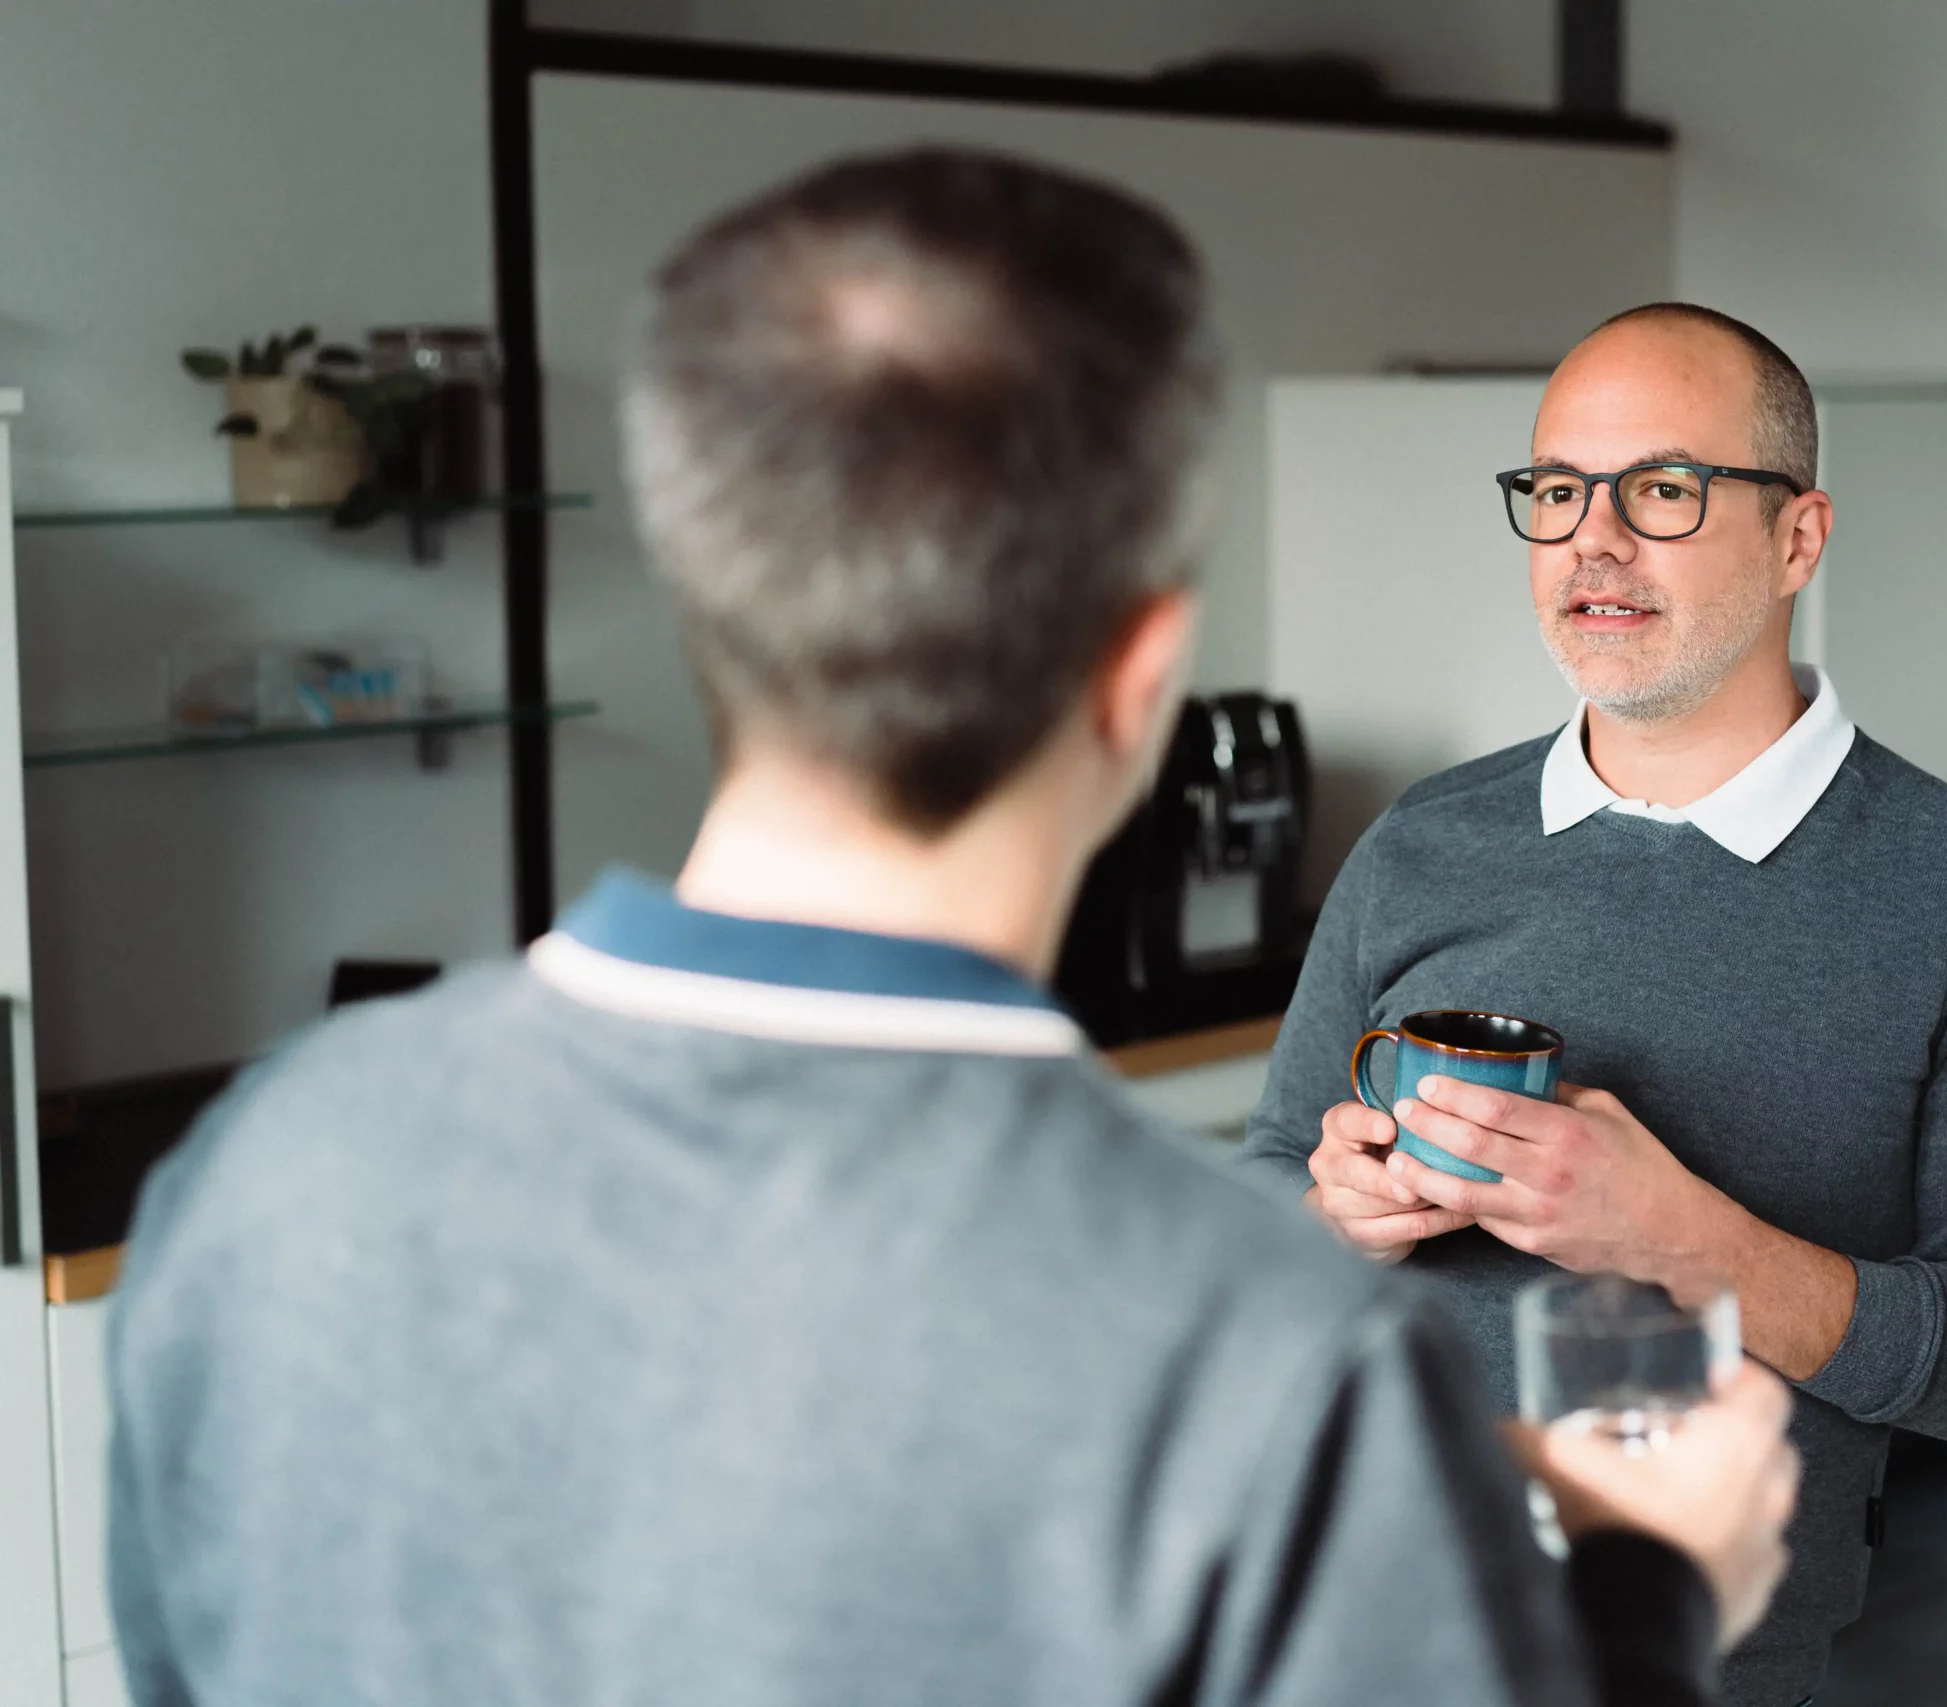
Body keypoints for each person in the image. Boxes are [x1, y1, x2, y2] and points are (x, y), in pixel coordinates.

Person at [104, 153, 1799, 1707]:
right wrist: (1658, 1583)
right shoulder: (1263, 1353)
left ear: (715, 587)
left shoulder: (262, 1174)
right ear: (1145, 677)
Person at [1240, 302, 1947, 1707]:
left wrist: (1691, 1242)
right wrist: (1333, 1213)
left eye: (1665, 489)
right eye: (1559, 490)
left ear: (1798, 536)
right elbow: (1264, 1197)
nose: (1593, 540)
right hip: (1352, 1631)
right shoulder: (1420, 843)